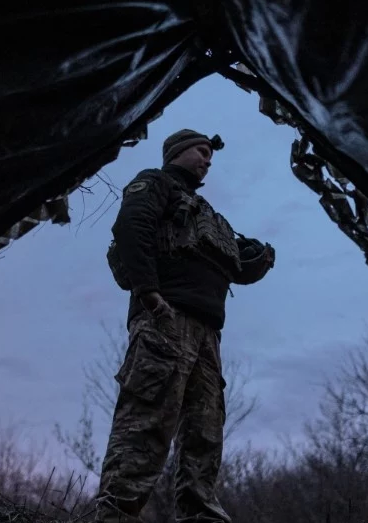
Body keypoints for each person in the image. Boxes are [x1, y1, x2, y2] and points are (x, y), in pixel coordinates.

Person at [97, 129, 276, 522]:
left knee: (205, 431)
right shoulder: (155, 183)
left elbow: (236, 269)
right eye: (202, 151)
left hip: (208, 334)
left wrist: (258, 256)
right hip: (166, 320)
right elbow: (132, 226)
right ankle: (115, 514)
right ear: (177, 152)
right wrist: (149, 293)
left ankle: (201, 516)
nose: (208, 160)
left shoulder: (206, 212)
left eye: (211, 154)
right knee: (146, 422)